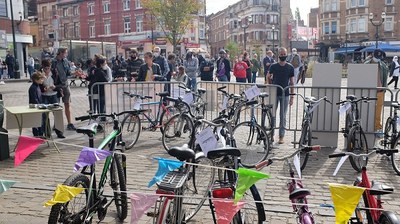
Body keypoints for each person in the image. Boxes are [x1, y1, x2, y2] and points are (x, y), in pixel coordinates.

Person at [266, 47, 295, 144]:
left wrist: (292, 96)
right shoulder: (274, 66)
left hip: (285, 94)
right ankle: (271, 134)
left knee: (283, 116)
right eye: (281, 54)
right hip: (275, 93)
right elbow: (268, 76)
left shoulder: (290, 67)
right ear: (278, 55)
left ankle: (281, 136)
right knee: (272, 115)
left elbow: (292, 82)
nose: (283, 56)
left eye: (284, 54)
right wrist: (270, 85)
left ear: (287, 54)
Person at [364, 49, 389, 138]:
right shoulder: (366, 64)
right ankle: (366, 127)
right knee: (366, 110)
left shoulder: (383, 66)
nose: (378, 59)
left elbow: (385, 79)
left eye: (379, 57)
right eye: (376, 57)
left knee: (378, 112)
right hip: (369, 91)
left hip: (379, 91)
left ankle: (378, 128)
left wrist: (384, 89)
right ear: (372, 55)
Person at [51, 47, 76, 130]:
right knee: (56, 106)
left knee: (67, 104)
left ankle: (70, 123)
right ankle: (56, 124)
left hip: (65, 85)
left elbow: (68, 72)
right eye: (65, 53)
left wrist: (75, 73)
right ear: (60, 53)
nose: (66, 54)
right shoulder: (53, 62)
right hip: (57, 86)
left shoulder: (65, 61)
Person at [40, 60, 65, 138]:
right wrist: (43, 88)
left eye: (48, 68)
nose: (47, 70)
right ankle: (47, 133)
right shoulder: (40, 74)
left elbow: (61, 84)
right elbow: (37, 84)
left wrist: (55, 87)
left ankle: (59, 132)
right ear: (42, 67)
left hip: (54, 95)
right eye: (45, 68)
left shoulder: (55, 73)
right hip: (44, 96)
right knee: (45, 115)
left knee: (57, 114)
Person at [28, 72, 45, 137]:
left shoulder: (37, 86)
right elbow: (34, 99)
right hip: (35, 107)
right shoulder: (33, 88)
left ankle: (40, 134)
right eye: (41, 79)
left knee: (40, 122)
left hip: (38, 106)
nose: (42, 80)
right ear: (36, 80)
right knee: (36, 123)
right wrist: (39, 106)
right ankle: (37, 135)